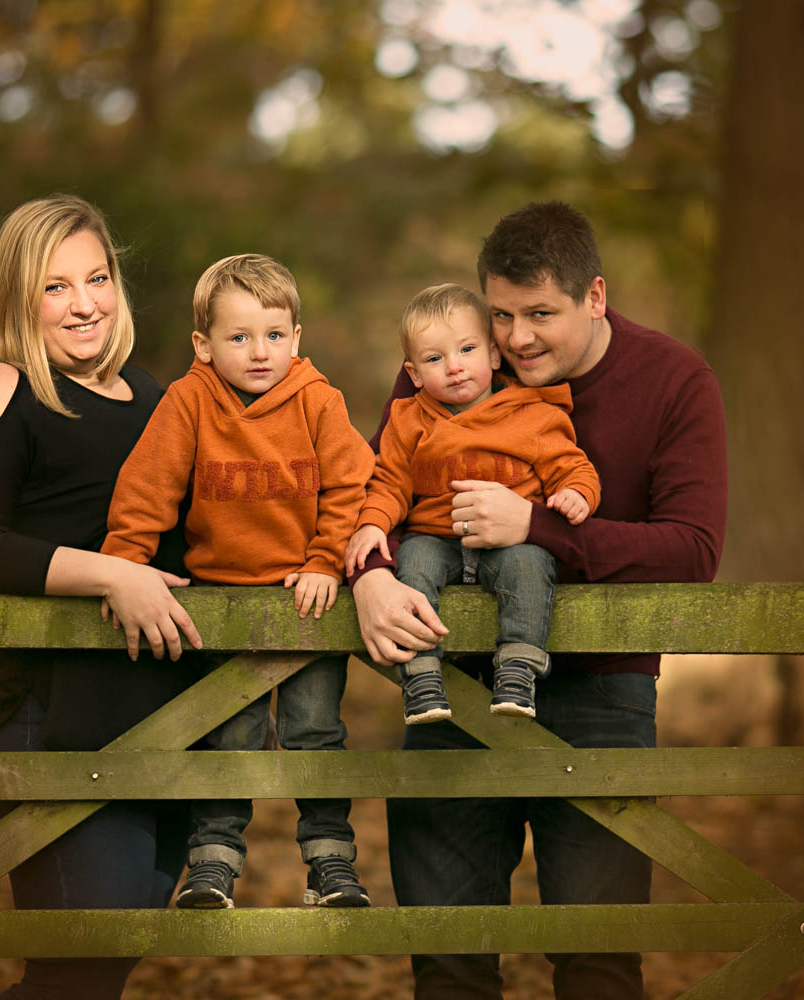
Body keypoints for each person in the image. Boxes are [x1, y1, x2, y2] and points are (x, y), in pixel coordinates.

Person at [351, 202, 728, 999]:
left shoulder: (672, 379)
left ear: (595, 296)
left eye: (540, 315)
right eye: (502, 315)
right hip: (451, 693)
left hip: (603, 694)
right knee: (448, 962)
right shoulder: (448, 368)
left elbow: (693, 550)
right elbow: (379, 490)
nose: (514, 340)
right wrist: (372, 574)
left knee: (597, 964)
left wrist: (537, 527)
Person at [0, 193, 204, 1000]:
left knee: (100, 961)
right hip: (45, 716)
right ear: (18, 297)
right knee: (83, 967)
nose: (84, 304)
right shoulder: (2, 387)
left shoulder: (154, 396)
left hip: (162, 715)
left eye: (97, 278)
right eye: (56, 287)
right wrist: (111, 572)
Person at [102, 253, 376, 910]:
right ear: (203, 344)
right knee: (227, 730)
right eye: (239, 337)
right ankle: (213, 863)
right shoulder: (189, 401)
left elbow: (353, 488)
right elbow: (148, 490)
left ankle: (332, 865)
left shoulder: (318, 400)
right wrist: (123, 565)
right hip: (220, 605)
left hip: (307, 604)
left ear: (297, 338)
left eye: (275, 335)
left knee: (315, 730)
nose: (260, 352)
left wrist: (322, 561)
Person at [345, 283, 599, 724]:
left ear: (494, 355)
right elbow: (389, 483)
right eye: (435, 359)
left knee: (530, 565)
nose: (455, 367)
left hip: (507, 545)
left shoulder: (534, 415)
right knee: (413, 566)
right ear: (415, 373)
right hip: (436, 537)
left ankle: (519, 667)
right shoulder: (409, 420)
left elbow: (573, 467)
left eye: (466, 349)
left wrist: (576, 495)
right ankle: (421, 676)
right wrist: (371, 524)